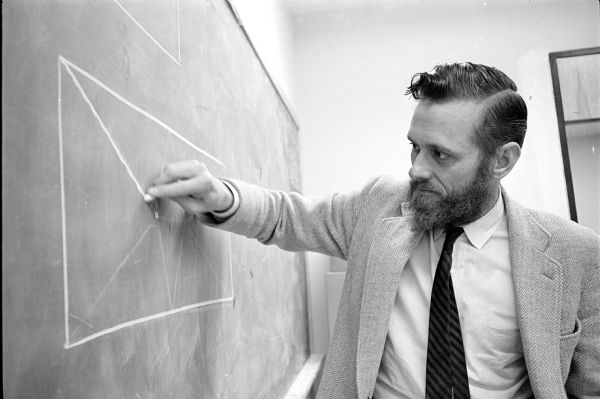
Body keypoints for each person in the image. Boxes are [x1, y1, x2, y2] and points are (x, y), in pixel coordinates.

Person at [145, 63, 600, 399]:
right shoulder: (383, 205)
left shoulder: (575, 254)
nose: (417, 169)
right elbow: (288, 216)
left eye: (440, 155)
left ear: (502, 160)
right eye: (414, 147)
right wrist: (219, 197)